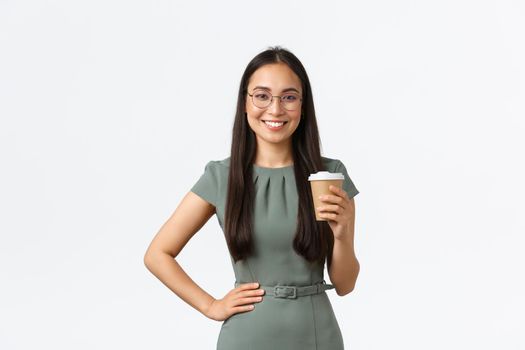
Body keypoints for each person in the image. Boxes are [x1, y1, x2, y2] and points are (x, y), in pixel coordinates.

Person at [144, 46, 360, 349]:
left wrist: (342, 237)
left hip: (316, 334)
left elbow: (345, 285)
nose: (275, 109)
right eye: (262, 96)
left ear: (303, 105)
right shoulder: (222, 177)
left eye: (289, 97)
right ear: (245, 103)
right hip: (246, 336)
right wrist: (210, 305)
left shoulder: (329, 175)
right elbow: (157, 254)